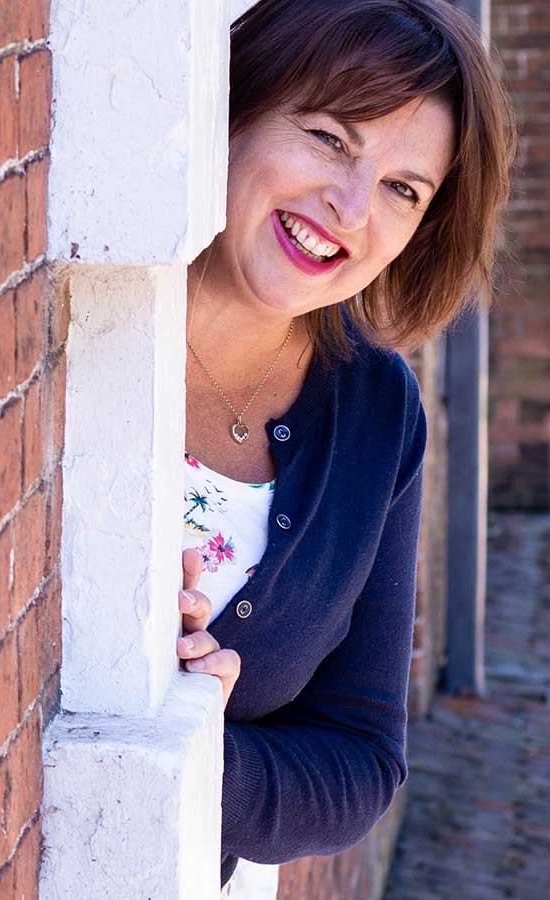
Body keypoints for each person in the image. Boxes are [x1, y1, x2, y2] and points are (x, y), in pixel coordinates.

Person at [174, 0, 517, 893]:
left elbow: (363, 760)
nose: (352, 208)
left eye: (405, 189)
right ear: (239, 101)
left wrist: (196, 749)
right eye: (331, 138)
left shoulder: (376, 408)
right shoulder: (69, 311)